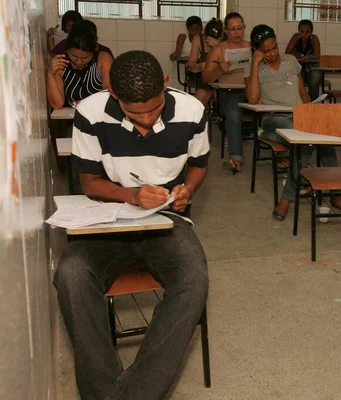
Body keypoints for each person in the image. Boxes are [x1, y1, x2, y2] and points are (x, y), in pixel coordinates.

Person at [54, 50, 210, 400]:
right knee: (72, 274)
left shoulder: (191, 111)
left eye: (153, 110)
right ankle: (103, 392)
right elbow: (90, 183)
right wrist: (131, 195)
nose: (144, 121)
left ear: (166, 85)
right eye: (132, 112)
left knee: (193, 279)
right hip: (107, 219)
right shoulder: (90, 113)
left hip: (167, 219)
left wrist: (187, 190)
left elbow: (199, 164)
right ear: (113, 96)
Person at [247, 24, 341, 221]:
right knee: (307, 136)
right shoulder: (255, 68)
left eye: (275, 47)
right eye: (266, 51)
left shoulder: (291, 60)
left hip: (299, 117)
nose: (273, 53)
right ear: (257, 50)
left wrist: (311, 109)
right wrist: (254, 63)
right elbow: (252, 100)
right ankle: (322, 193)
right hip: (273, 120)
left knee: (318, 138)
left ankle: (326, 192)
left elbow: (303, 92)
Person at [202, 12, 251, 173]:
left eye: (240, 28)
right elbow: (206, 77)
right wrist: (219, 69)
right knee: (233, 112)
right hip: (228, 92)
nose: (237, 33)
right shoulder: (218, 49)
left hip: (250, 90)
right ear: (226, 30)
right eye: (232, 29)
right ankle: (236, 158)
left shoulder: (251, 46)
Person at [46, 20, 113, 110]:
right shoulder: (61, 64)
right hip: (71, 120)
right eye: (74, 56)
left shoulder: (103, 59)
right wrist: (50, 74)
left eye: (85, 58)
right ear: (67, 49)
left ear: (93, 51)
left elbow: (109, 93)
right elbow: (57, 104)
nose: (79, 62)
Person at [188, 18, 224, 105]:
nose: (209, 40)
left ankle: (219, 117)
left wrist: (217, 46)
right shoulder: (198, 39)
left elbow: (231, 62)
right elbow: (190, 63)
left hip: (223, 78)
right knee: (199, 98)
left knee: (222, 100)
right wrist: (198, 66)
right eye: (207, 38)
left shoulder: (226, 40)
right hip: (206, 79)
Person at [284, 20, 322, 101]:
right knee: (294, 79)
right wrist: (295, 56)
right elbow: (287, 53)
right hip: (299, 66)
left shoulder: (314, 38)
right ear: (298, 31)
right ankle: (298, 103)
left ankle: (313, 104)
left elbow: (318, 55)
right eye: (302, 31)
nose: (304, 34)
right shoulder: (296, 37)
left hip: (312, 66)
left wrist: (310, 57)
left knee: (314, 79)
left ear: (311, 32)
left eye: (307, 32)